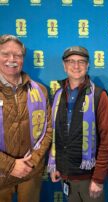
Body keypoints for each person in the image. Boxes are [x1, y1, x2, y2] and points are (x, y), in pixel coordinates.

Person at [48, 46, 108, 202]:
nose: (76, 66)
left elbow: (107, 140)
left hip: (89, 178)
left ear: (87, 65)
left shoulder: (99, 95)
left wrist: (98, 179)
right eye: (71, 61)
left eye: (81, 62)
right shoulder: (58, 95)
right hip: (66, 175)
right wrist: (56, 167)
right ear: (64, 66)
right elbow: (56, 135)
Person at [0, 34, 52, 202]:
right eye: (5, 54)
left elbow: (48, 130)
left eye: (17, 55)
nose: (11, 59)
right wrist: (11, 165)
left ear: (23, 59)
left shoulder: (40, 91)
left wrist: (31, 163)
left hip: (30, 173)